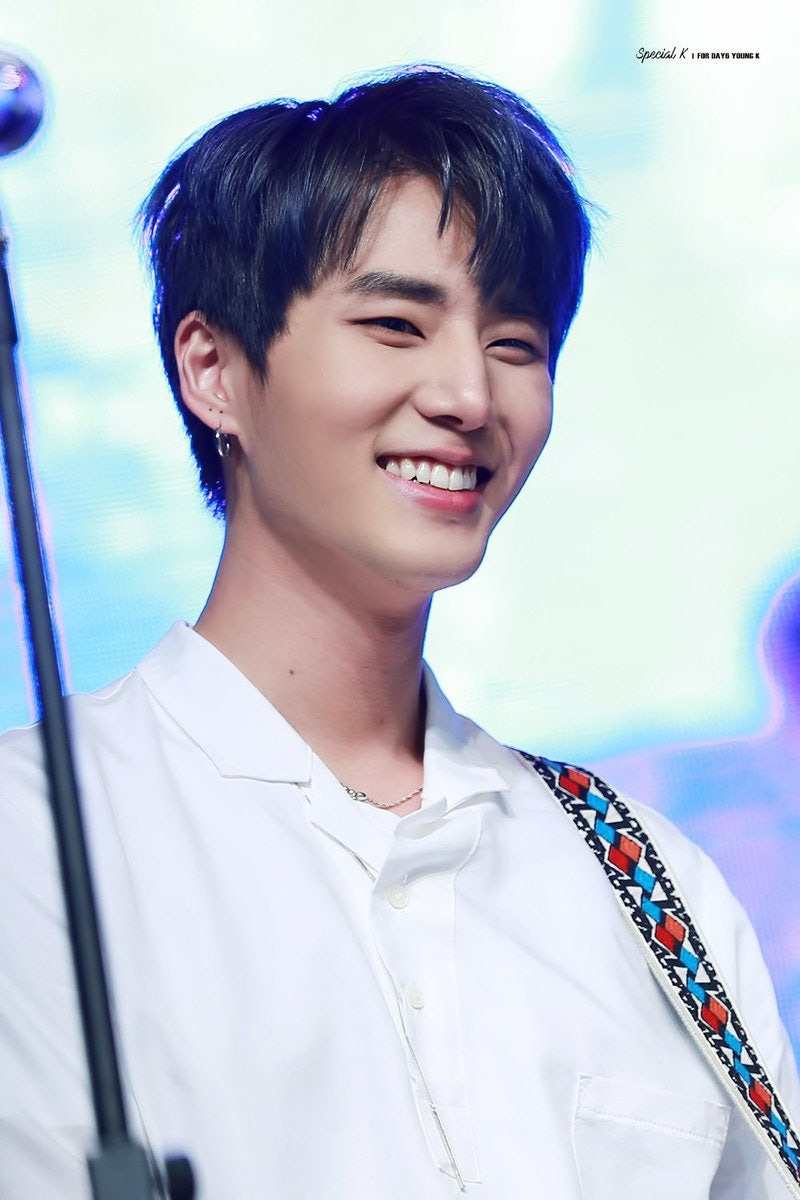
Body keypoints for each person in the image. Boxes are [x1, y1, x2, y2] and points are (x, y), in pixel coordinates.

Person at [1, 66, 798, 1200]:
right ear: (213, 370)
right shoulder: (36, 842)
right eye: (394, 325)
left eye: (515, 343)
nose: (468, 394)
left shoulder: (649, 884)